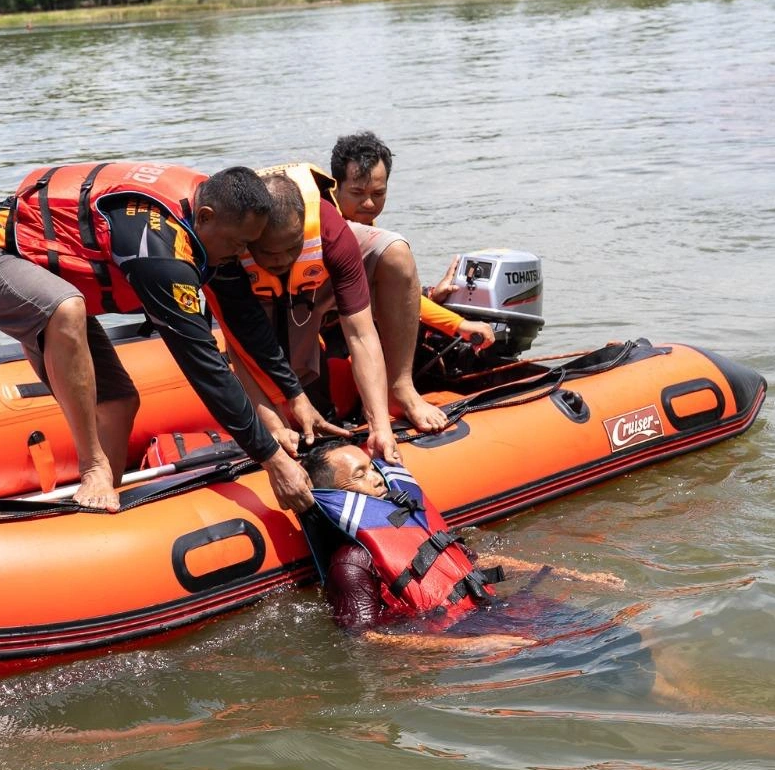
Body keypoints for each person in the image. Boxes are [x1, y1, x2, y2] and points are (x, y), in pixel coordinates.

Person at [0, 162, 321, 513]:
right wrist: (271, 458)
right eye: (239, 244)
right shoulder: (159, 251)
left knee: (119, 402)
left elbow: (244, 318)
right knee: (66, 309)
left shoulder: (212, 215)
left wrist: (294, 394)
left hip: (48, 276)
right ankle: (94, 469)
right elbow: (205, 367)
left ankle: (97, 507)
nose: (242, 254)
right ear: (205, 216)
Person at [302, 440, 625, 654]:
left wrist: (575, 575)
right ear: (334, 493)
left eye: (374, 468)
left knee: (621, 635)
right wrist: (468, 646)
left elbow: (475, 562)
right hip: (456, 634)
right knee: (606, 661)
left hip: (494, 610)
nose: (377, 479)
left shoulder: (410, 523)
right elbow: (363, 639)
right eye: (361, 475)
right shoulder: (351, 562)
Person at [206, 164, 399, 463]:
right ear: (249, 239)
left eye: (292, 248)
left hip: (309, 295)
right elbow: (240, 347)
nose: (282, 259)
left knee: (396, 252)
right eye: (270, 252)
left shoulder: (331, 231)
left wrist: (381, 426)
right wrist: (270, 430)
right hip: (257, 301)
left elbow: (360, 334)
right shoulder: (226, 254)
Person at [328, 133, 498, 431]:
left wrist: (432, 298)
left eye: (378, 193)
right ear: (335, 186)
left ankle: (396, 393)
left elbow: (382, 294)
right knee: (340, 397)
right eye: (357, 192)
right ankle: (396, 395)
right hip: (324, 343)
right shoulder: (333, 229)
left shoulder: (367, 231)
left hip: (347, 332)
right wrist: (456, 324)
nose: (369, 202)